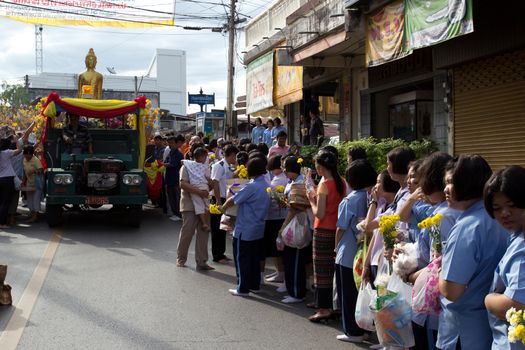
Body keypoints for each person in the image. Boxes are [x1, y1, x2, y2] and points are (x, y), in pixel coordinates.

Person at [438, 155, 508, 349]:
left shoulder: (466, 227)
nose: (446, 189)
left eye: (451, 182)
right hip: (491, 327)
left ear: (465, 183)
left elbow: (452, 291)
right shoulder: (500, 219)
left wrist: (436, 273)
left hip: (462, 330)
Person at [335, 159, 377, 343]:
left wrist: (335, 247)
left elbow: (341, 228)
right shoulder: (371, 197)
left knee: (348, 294)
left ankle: (352, 331)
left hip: (348, 252)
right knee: (361, 291)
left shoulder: (350, 200)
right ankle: (364, 328)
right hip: (367, 252)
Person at [484, 166, 525, 350]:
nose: (504, 213)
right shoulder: (516, 234)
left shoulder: (522, 248)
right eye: (497, 208)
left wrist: (489, 299)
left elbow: (516, 305)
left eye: (512, 205)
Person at [307, 150, 346, 322]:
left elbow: (320, 213)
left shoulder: (324, 185)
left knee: (321, 270)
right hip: (337, 228)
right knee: (332, 269)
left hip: (323, 230)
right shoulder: (342, 182)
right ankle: (334, 305)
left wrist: (311, 201)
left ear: (321, 167)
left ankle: (323, 308)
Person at [222, 157, 270, 296]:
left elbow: (234, 199)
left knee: (242, 259)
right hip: (259, 226)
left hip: (245, 227)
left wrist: (222, 209)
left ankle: (242, 288)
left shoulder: (252, 186)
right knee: (254, 259)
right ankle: (254, 285)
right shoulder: (265, 184)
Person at [278, 156, 311, 303]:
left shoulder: (299, 184)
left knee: (296, 260)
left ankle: (297, 293)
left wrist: (283, 227)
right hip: (296, 223)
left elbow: (295, 208)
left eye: (285, 167)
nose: (283, 170)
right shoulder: (295, 181)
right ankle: (293, 290)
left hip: (297, 224)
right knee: (291, 259)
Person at [176, 154, 214, 271]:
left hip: (203, 204)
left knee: (204, 232)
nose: (204, 158)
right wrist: (199, 191)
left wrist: (208, 187)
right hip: (189, 204)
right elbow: (183, 184)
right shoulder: (186, 167)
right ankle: (181, 258)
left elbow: (211, 184)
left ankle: (202, 262)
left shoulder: (205, 167)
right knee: (188, 232)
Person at [210, 145, 239, 263]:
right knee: (216, 228)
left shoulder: (229, 167)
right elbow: (214, 183)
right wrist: (217, 200)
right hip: (218, 198)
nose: (236, 159)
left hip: (225, 198)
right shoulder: (219, 166)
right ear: (231, 155)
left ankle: (221, 253)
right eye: (235, 156)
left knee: (223, 227)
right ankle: (217, 255)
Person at [262, 155, 288, 284]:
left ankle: (281, 273)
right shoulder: (284, 178)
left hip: (275, 217)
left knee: (276, 247)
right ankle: (280, 272)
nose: (272, 172)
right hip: (282, 216)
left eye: (273, 169)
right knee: (279, 247)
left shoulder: (277, 181)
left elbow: (272, 200)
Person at [181, 147, 211, 231]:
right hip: (203, 187)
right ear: (201, 157)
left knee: (198, 205)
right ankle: (206, 222)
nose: (206, 159)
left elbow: (183, 161)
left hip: (193, 188)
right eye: (205, 157)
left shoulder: (189, 164)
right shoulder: (205, 167)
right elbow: (209, 178)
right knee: (207, 204)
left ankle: (204, 223)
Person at [0, 136, 23, 228]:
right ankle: (2, 223)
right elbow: (20, 149)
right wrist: (16, 139)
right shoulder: (6, 153)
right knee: (5, 203)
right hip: (7, 180)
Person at [165, 135, 185, 222]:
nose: (170, 145)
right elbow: (166, 161)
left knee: (177, 198)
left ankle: (179, 214)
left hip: (176, 179)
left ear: (176, 143)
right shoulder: (170, 152)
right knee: (171, 197)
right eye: (169, 143)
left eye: (172, 143)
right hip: (169, 179)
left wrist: (161, 164)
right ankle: (174, 213)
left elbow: (171, 164)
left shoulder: (179, 154)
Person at [22, 145, 43, 223]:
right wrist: (23, 181)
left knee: (35, 199)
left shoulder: (36, 160)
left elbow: (40, 171)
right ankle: (32, 213)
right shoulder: (24, 160)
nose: (26, 157)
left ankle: (35, 216)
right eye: (25, 156)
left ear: (31, 154)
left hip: (37, 183)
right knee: (29, 200)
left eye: (28, 156)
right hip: (29, 182)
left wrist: (34, 171)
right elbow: (24, 172)